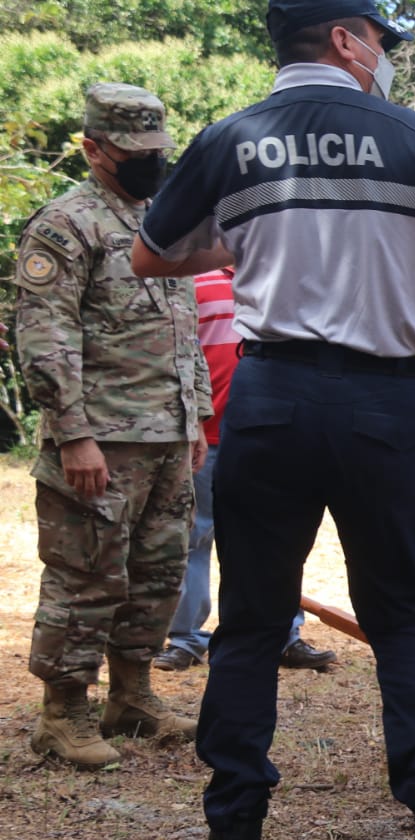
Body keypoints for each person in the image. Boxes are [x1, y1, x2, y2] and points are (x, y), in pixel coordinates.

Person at [132, 0, 415, 840]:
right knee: (402, 618)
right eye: (379, 39)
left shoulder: (233, 137)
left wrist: (249, 242)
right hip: (385, 406)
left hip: (272, 401)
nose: (384, 55)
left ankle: (232, 839)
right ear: (345, 39)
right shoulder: (413, 138)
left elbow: (151, 257)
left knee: (251, 621)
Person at [14, 82, 208, 769]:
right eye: (134, 152)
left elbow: (184, 328)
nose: (151, 162)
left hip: (167, 434)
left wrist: (196, 416)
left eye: (157, 149)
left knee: (157, 573)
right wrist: (73, 434)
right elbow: (45, 337)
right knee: (86, 575)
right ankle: (63, 713)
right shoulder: (65, 225)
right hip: (101, 437)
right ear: (94, 148)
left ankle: (132, 695)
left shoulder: (162, 222)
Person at [154, 266, 338, 672]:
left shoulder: (288, 277)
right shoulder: (194, 281)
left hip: (274, 433)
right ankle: (186, 639)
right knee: (194, 536)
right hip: (206, 436)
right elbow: (176, 355)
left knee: (278, 539)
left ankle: (284, 635)